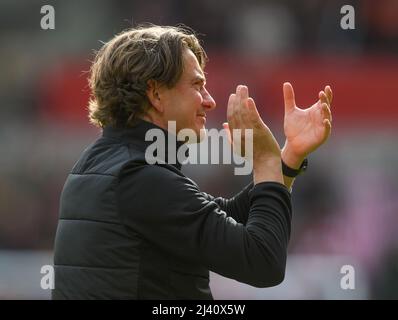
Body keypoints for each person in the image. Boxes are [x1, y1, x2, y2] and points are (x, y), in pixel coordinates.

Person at [52, 25, 332, 299]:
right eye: (197, 85)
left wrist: (287, 159)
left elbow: (220, 221)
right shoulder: (139, 177)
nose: (209, 101)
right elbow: (263, 263)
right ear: (156, 94)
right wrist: (264, 160)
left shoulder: (99, 163)